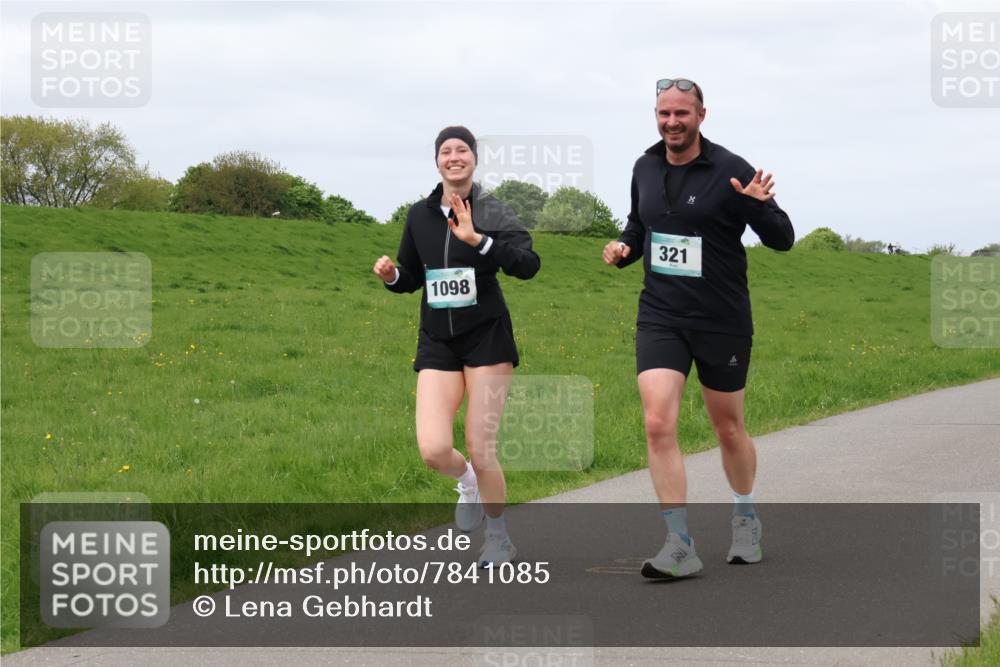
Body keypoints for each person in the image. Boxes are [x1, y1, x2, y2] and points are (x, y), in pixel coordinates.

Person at [602, 78, 794, 578]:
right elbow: (639, 226)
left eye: (681, 114)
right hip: (661, 315)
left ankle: (745, 513)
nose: (672, 122)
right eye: (664, 113)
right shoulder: (644, 167)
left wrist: (757, 206)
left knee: (728, 427)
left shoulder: (731, 169)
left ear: (701, 116)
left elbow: (783, 239)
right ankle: (679, 543)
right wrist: (624, 250)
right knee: (657, 422)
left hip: (721, 318)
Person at [373, 126, 540, 567]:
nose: (453, 157)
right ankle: (465, 481)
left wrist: (479, 240)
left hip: (486, 337)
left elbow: (528, 264)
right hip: (437, 340)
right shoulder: (419, 215)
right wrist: (392, 275)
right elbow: (412, 277)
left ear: (473, 159)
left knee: (482, 445)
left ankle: (499, 537)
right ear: (437, 162)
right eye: (445, 151)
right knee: (432, 449)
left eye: (461, 149)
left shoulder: (494, 210)